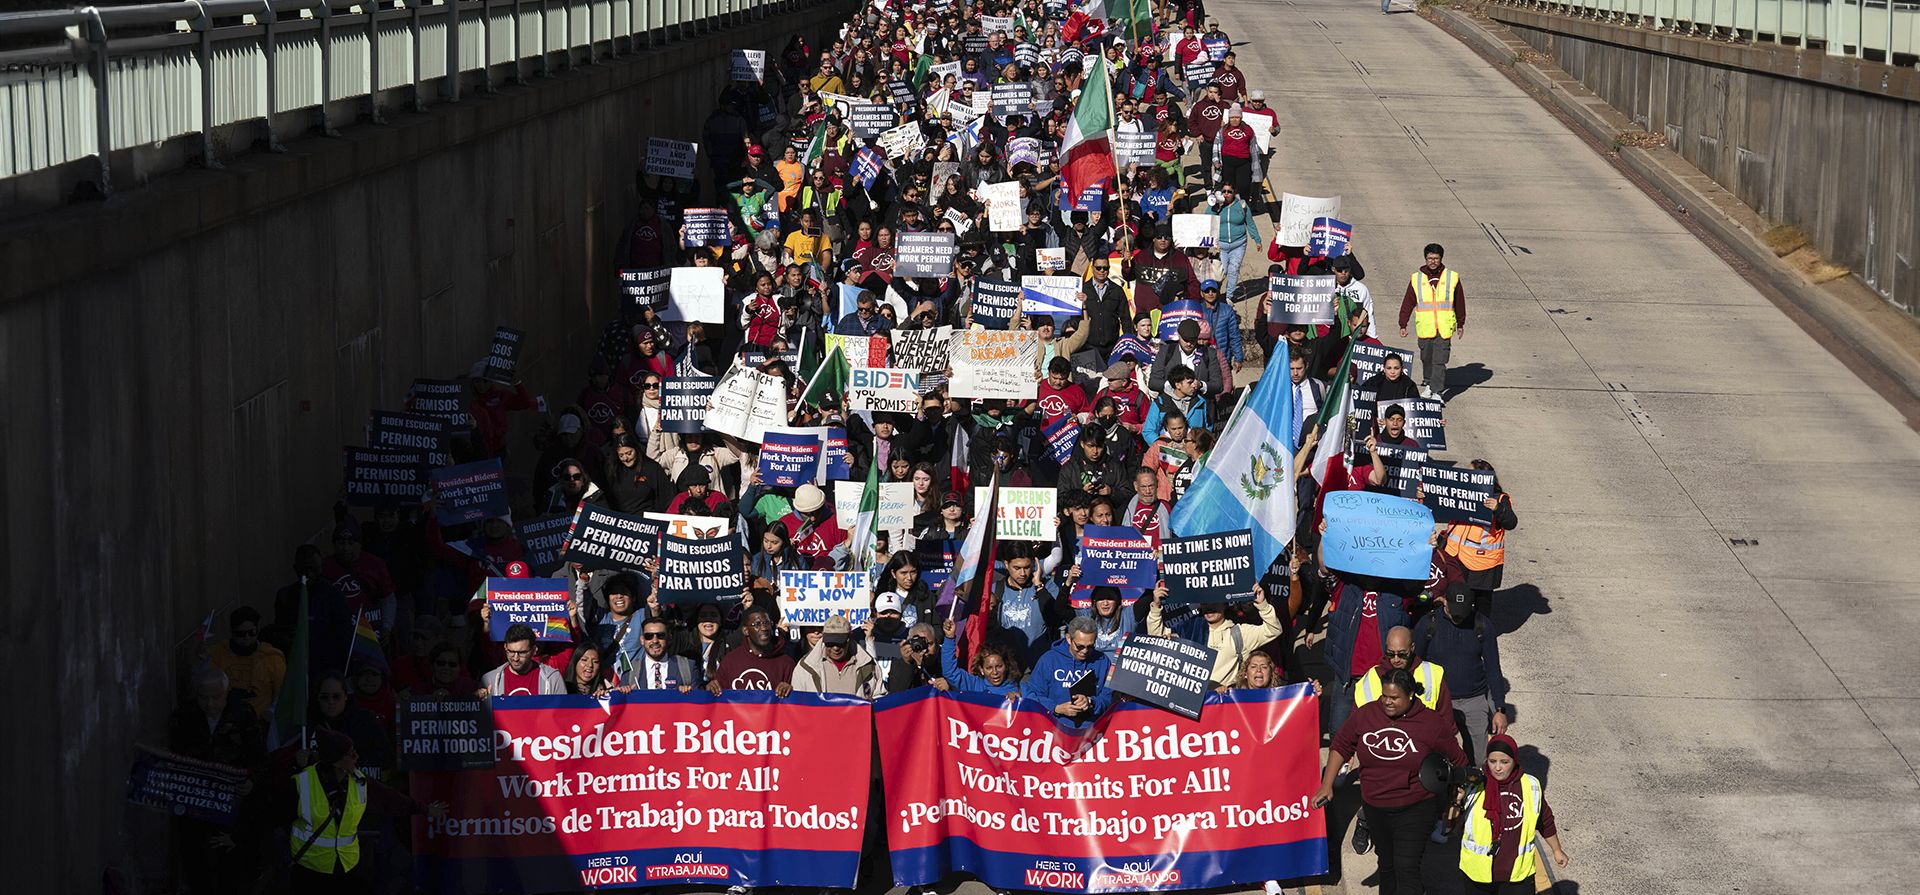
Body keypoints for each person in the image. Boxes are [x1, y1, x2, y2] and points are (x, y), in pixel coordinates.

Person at [1312, 667, 1469, 895]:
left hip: (1416, 808)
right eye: (1384, 695)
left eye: (1394, 698)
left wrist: (1456, 798)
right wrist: (1327, 785)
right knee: (1387, 865)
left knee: (1406, 868)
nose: (1387, 702)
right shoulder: (1366, 715)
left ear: (1410, 696)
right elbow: (1341, 745)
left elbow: (1458, 760)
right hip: (1375, 807)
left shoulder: (1431, 723)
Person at [276, 729, 446, 894]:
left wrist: (425, 809)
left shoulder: (359, 782)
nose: (356, 757)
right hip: (310, 872)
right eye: (350, 754)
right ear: (336, 761)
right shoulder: (301, 785)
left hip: (347, 869)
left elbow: (391, 799)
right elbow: (275, 816)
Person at [1459, 734, 1569, 893]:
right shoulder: (1474, 784)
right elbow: (1450, 823)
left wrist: (1556, 850)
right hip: (1478, 874)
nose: (1497, 767)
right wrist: (1455, 801)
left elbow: (1545, 821)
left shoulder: (1531, 785)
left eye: (1504, 762)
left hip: (1518, 875)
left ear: (1514, 760)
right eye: (1492, 761)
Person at [1416, 583, 1510, 766]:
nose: (1458, 618)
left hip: (1474, 700)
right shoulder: (1428, 624)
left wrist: (1500, 710)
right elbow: (1415, 664)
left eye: (1463, 613)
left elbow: (1493, 668)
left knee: (1479, 760)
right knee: (1436, 756)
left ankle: (1474, 792)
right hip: (1438, 701)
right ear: (1444, 603)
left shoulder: (1482, 625)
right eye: (1454, 613)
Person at [1146, 580, 1285, 690]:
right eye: (1205, 602)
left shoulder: (1240, 633)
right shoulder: (1189, 629)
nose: (1208, 607)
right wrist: (1156, 606)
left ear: (1224, 604)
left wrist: (1262, 604)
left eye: (1213, 601)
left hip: (1225, 705)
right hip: (1192, 703)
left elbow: (1273, 630)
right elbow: (1157, 639)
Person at [1441, 459, 1518, 618]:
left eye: (1470, 473)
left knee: (1482, 605)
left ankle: (1482, 635)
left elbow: (1511, 522)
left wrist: (1497, 508)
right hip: (1456, 557)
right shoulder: (1459, 491)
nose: (1465, 476)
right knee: (1458, 600)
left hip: (1482, 564)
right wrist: (1424, 495)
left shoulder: (1499, 499)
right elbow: (1439, 502)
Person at [1398, 243, 1465, 401]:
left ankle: (1437, 392)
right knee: (1426, 358)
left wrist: (1461, 323)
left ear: (1441, 259)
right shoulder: (1416, 278)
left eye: (1436, 258)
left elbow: (1459, 301)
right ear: (1425, 259)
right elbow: (1408, 302)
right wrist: (1403, 323)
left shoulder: (1452, 277)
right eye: (1430, 258)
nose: (1433, 261)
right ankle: (1429, 383)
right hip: (1425, 327)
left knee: (1439, 361)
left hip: (1444, 327)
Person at [1021, 616, 1113, 727]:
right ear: (1069, 638)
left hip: (1090, 730)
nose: (1085, 651)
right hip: (1054, 727)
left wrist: (1091, 702)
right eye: (1079, 646)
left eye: (1090, 646)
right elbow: (1032, 694)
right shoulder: (1049, 659)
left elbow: (1108, 698)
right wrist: (1056, 708)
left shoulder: (1102, 661)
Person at [206, 606, 285, 721]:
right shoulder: (217, 653)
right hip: (223, 719)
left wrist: (269, 715)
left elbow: (282, 695)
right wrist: (203, 662)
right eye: (241, 634)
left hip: (260, 722)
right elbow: (205, 687)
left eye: (252, 632)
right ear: (232, 633)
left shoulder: (272, 658)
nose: (247, 637)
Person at [709, 605, 795, 694]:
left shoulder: (786, 663)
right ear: (745, 630)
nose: (764, 628)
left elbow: (798, 702)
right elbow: (718, 699)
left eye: (767, 623)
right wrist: (711, 689)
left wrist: (791, 691)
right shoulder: (730, 661)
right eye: (757, 624)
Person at [795, 616, 887, 698]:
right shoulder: (805, 667)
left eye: (840, 643)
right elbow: (797, 702)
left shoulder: (869, 665)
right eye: (830, 643)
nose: (835, 648)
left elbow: (880, 696)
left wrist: (873, 704)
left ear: (849, 639)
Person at [481, 624, 566, 697]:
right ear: (505, 647)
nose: (515, 658)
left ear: (534, 650)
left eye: (522, 653)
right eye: (511, 652)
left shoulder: (552, 678)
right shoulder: (489, 680)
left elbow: (562, 713)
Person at [632, 617, 702, 691]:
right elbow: (621, 700)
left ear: (669, 638)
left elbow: (699, 699)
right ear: (642, 640)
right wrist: (623, 692)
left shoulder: (688, 667)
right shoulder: (632, 671)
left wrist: (689, 693)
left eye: (660, 635)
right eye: (649, 636)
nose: (655, 640)